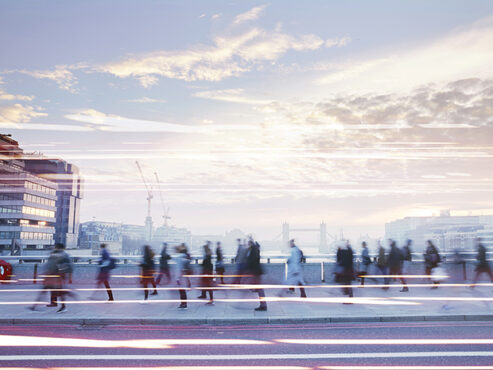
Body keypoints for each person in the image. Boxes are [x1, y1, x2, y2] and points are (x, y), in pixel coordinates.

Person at [29, 246, 64, 312]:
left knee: (46, 292)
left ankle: (35, 306)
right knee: (52, 292)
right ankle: (55, 303)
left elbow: (54, 268)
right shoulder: (53, 258)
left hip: (52, 279)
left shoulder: (54, 259)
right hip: (51, 278)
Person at [246, 239, 267, 311]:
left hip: (255, 272)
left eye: (248, 243)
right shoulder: (255, 250)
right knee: (259, 288)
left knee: (260, 289)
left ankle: (263, 305)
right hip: (256, 272)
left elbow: (252, 261)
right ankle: (263, 304)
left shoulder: (253, 250)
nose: (247, 245)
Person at [174, 243, 190, 309]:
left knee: (181, 290)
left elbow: (178, 268)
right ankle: (184, 303)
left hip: (180, 276)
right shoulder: (184, 257)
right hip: (183, 275)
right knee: (182, 290)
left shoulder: (178, 257)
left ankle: (183, 303)